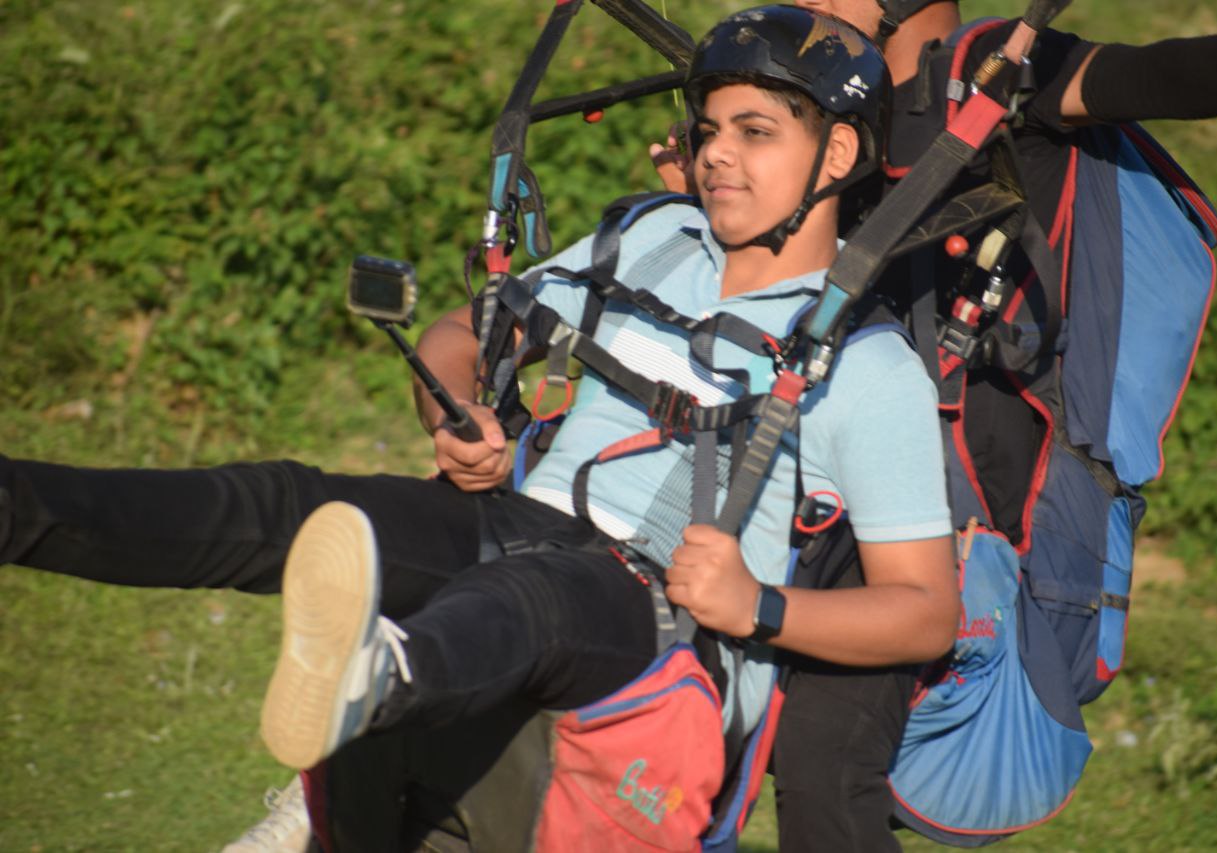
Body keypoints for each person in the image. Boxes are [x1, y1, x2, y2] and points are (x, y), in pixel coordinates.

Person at [2, 7, 959, 850]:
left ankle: (378, 677)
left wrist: (760, 606)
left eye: (755, 133)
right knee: (301, 503)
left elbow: (924, 609)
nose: (714, 155)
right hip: (527, 526)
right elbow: (465, 331)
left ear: (837, 155)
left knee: (535, 590)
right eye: (709, 129)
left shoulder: (868, 369)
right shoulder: (655, 238)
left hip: (662, 623)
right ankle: (24, 504)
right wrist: (455, 405)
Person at [646, 3, 1217, 851]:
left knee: (827, 760)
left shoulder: (991, 70)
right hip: (830, 476)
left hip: (961, 504)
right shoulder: (825, 104)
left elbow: (1158, 74)